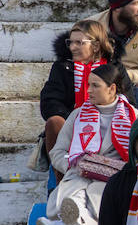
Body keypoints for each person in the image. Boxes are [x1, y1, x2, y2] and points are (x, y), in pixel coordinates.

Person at [37, 63, 138, 225]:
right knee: (76, 192)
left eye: (95, 86)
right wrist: (75, 164)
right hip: (79, 175)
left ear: (112, 88)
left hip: (113, 181)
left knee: (84, 198)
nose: (88, 90)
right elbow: (57, 152)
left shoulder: (134, 117)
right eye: (88, 85)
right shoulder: (78, 115)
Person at [39, 19, 115, 161]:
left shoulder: (113, 68)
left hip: (106, 125)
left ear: (96, 46)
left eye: (79, 43)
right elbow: (50, 102)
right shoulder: (62, 67)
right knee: (54, 122)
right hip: (71, 124)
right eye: (70, 42)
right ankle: (61, 177)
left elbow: (127, 100)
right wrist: (77, 120)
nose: (72, 47)